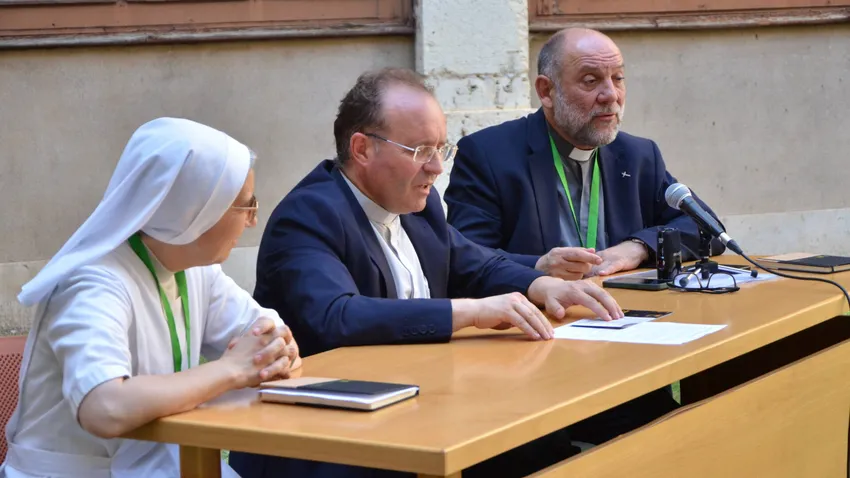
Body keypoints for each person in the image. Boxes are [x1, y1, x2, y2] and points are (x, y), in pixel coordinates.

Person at [229, 68, 624, 478]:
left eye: (441, 148)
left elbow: (475, 263)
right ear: (362, 148)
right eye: (420, 150)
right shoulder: (309, 214)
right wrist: (470, 312)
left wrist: (541, 284)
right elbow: (337, 316)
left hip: (415, 409)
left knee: (542, 443)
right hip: (326, 439)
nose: (436, 167)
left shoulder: (419, 204)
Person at [1, 118, 301, 478]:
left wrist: (274, 347)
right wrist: (231, 369)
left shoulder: (195, 268)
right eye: (246, 206)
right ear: (197, 209)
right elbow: (104, 407)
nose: (252, 221)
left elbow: (267, 334)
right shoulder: (93, 281)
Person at [444, 27, 725, 281]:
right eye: (591, 81)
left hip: (626, 312)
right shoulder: (488, 155)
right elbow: (465, 259)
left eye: (618, 78)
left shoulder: (637, 155)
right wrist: (538, 267)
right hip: (540, 314)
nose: (611, 95)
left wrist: (637, 247)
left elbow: (708, 230)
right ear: (546, 91)